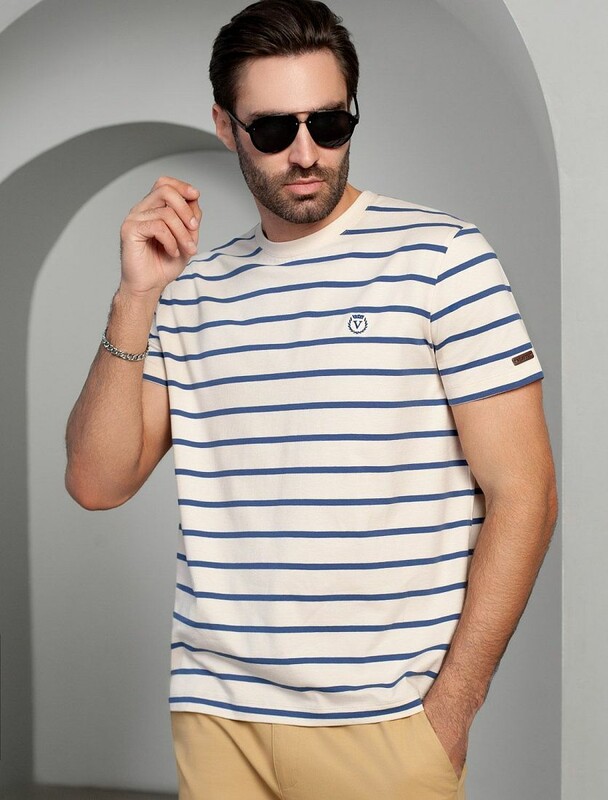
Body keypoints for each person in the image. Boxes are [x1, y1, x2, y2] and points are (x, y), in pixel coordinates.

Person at [65, 1, 558, 798]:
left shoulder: (444, 259)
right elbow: (97, 481)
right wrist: (135, 297)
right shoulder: (191, 290)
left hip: (385, 728)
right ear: (225, 127)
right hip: (219, 722)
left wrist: (452, 709)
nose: (305, 153)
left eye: (329, 123)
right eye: (272, 130)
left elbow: (526, 494)